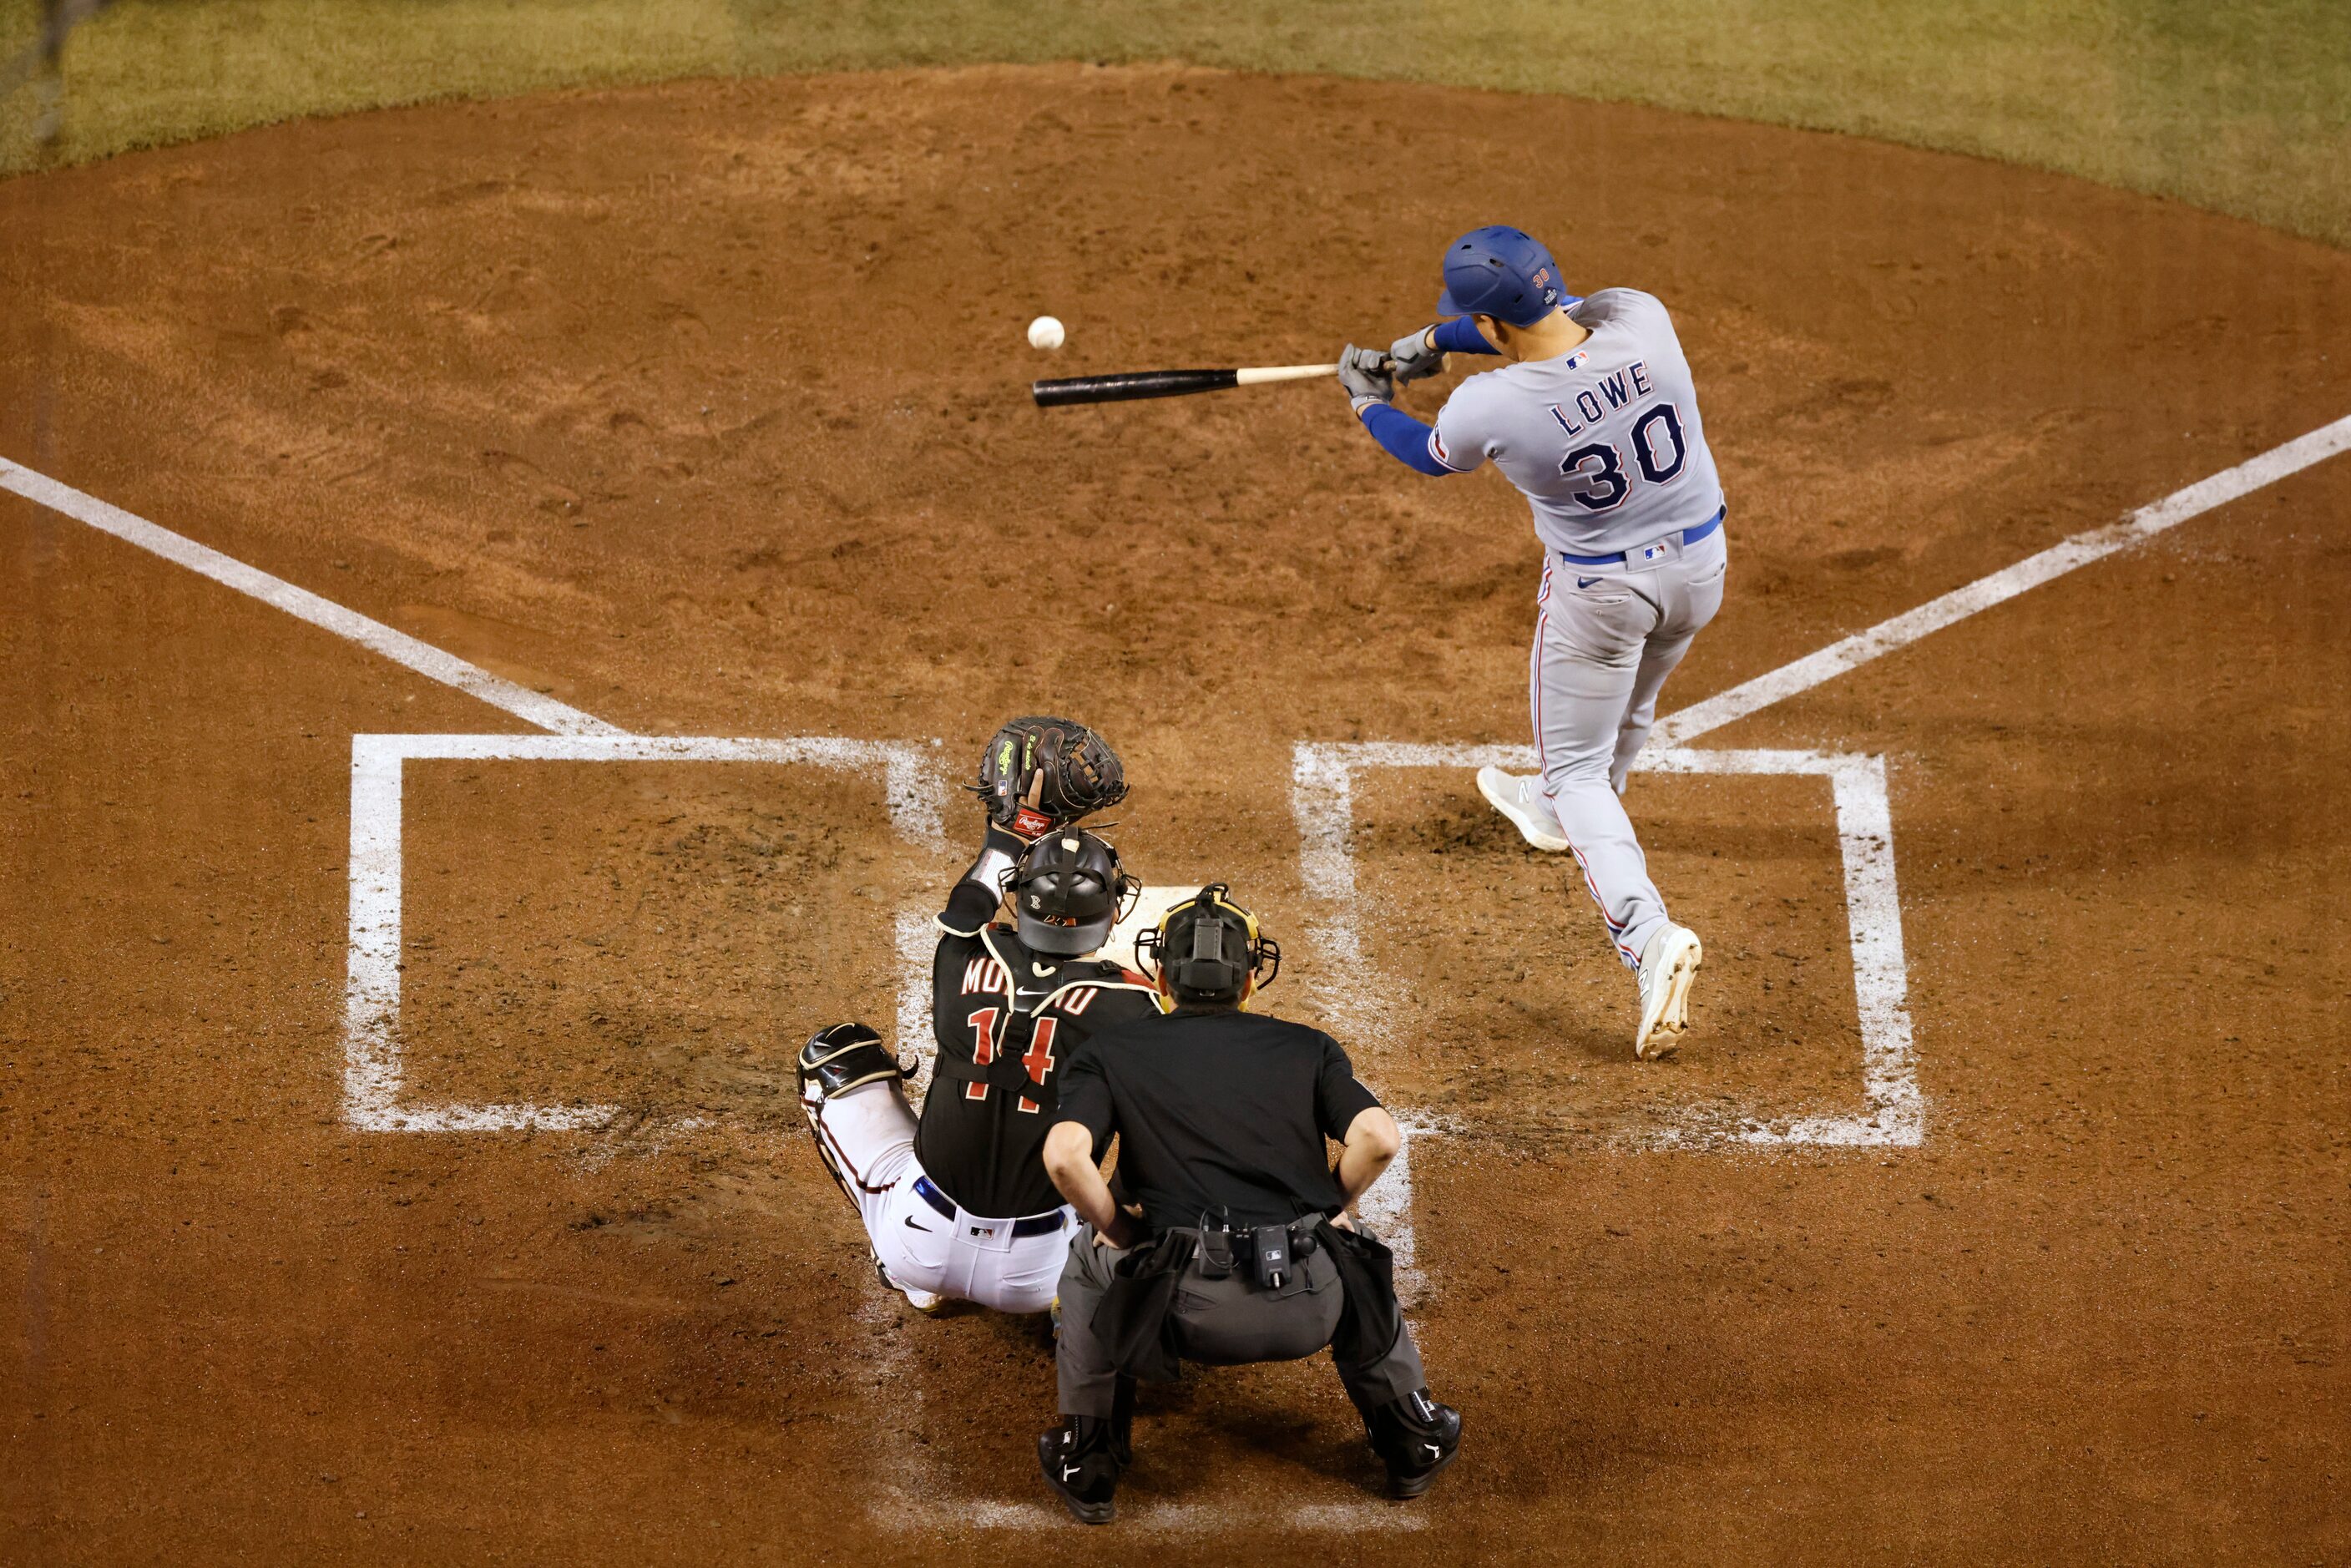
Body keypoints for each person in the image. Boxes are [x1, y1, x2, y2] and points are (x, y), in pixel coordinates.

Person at [1337, 225, 1727, 1059]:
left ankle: (1647, 936)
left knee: (1576, 765)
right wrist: (1432, 342)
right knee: (1636, 702)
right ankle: (1559, 814)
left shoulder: (1490, 406)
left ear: (1486, 327)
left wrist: (1371, 401)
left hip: (1603, 597)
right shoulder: (1640, 319)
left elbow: (1432, 456)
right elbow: (1551, 323)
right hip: (1699, 567)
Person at [1034, 886, 1460, 1523]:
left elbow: (1066, 1156)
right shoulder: (1306, 1047)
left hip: (1179, 1315)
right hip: (1311, 1303)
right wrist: (1327, 1208)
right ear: (1252, 978)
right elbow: (1379, 1137)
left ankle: (1089, 1456)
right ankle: (1410, 1434)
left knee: (1087, 1260)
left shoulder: (1112, 1053)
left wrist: (1120, 1230)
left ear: (1161, 975)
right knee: (1355, 1247)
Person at [796, 717, 1160, 1315]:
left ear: (1019, 898)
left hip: (918, 1239)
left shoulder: (960, 959)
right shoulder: (1134, 1008)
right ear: (1113, 914)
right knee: (1151, 1136)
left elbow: (966, 908)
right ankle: (1081, 1294)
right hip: (1040, 1269)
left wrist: (1013, 832)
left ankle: (920, 1283)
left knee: (833, 1057)